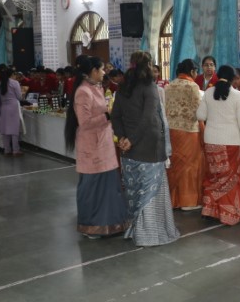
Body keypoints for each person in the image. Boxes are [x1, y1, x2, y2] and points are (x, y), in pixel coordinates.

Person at [111, 51, 180, 246]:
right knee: (151, 190)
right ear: (149, 65)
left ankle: (134, 230)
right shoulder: (149, 87)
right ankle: (148, 234)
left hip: (128, 149)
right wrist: (131, 140)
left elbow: (115, 116)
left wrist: (123, 138)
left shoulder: (123, 87)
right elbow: (148, 118)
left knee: (134, 190)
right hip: (149, 147)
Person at [64, 56, 128, 239]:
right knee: (93, 188)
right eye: (101, 69)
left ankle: (110, 224)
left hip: (104, 145)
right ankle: (92, 226)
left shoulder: (97, 88)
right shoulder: (83, 91)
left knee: (109, 187)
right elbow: (84, 122)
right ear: (92, 71)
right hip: (92, 147)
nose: (104, 72)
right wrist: (107, 115)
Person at [196, 65, 240, 225]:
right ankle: (229, 214)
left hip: (211, 141)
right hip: (231, 142)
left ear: (217, 76)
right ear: (233, 79)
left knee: (214, 176)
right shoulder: (238, 96)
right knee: (230, 178)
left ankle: (210, 210)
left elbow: (200, 115)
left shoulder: (208, 92)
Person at [165, 59, 206, 210]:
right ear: (192, 71)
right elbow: (199, 112)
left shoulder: (169, 86)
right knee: (190, 166)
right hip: (189, 132)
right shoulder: (192, 86)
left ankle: (173, 200)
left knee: (174, 164)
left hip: (171, 131)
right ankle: (188, 201)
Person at [0, 67, 23, 156]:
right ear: (12, 74)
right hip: (13, 107)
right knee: (14, 129)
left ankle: (7, 150)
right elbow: (19, 97)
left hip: (3, 107)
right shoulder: (15, 83)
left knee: (5, 129)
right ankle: (16, 150)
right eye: (15, 74)